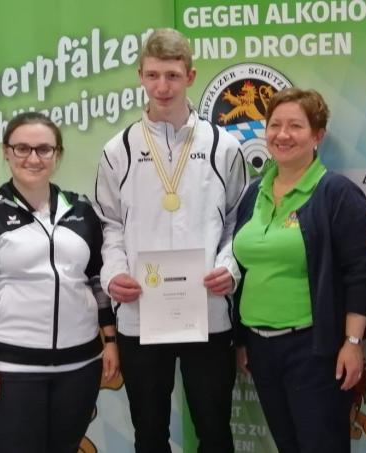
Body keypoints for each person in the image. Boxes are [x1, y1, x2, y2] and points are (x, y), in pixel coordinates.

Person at [93, 28, 248, 453]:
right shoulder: (117, 150)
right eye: (154, 75)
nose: (163, 87)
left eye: (174, 76)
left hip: (208, 311)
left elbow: (238, 222)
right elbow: (109, 225)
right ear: (140, 75)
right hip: (141, 312)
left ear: (191, 76)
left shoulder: (224, 146)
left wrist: (230, 268)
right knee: (149, 431)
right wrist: (114, 276)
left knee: (215, 428)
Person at [232, 87, 366, 453]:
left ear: (317, 135)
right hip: (260, 351)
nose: (282, 134)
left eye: (295, 125)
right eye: (275, 125)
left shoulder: (337, 194)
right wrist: (245, 340)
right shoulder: (254, 194)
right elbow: (246, 270)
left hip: (314, 350)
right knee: (287, 445)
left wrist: (353, 343)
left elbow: (359, 273)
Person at [0, 112, 119, 453]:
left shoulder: (82, 210)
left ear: (57, 155)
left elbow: (97, 281)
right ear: (6, 152)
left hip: (80, 366)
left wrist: (111, 341)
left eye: (44, 149)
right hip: (12, 369)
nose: (33, 158)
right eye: (22, 148)